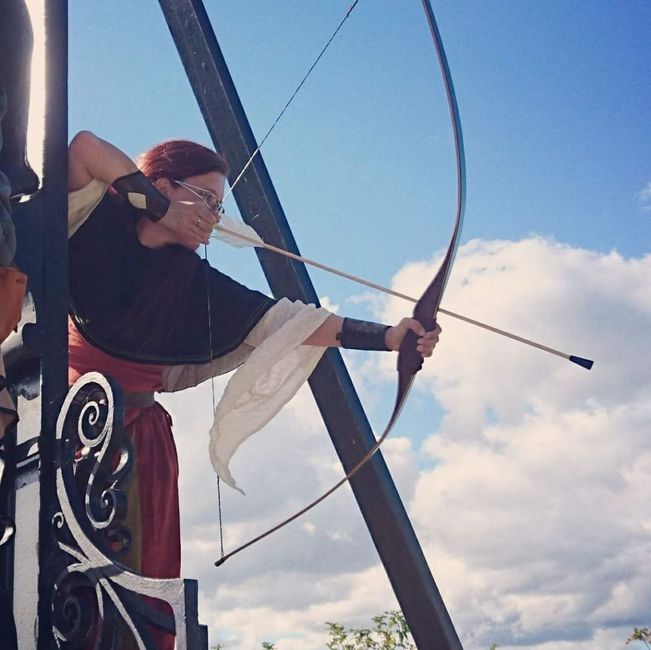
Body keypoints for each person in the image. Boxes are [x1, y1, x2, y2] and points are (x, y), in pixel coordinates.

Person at [67, 130, 441, 647]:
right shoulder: (97, 219)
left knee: (131, 609)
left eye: (219, 207)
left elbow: (288, 323)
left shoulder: (198, 286)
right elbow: (85, 148)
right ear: (161, 182)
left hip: (137, 445)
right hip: (57, 421)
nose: (213, 217)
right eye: (204, 198)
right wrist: (161, 210)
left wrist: (391, 337)